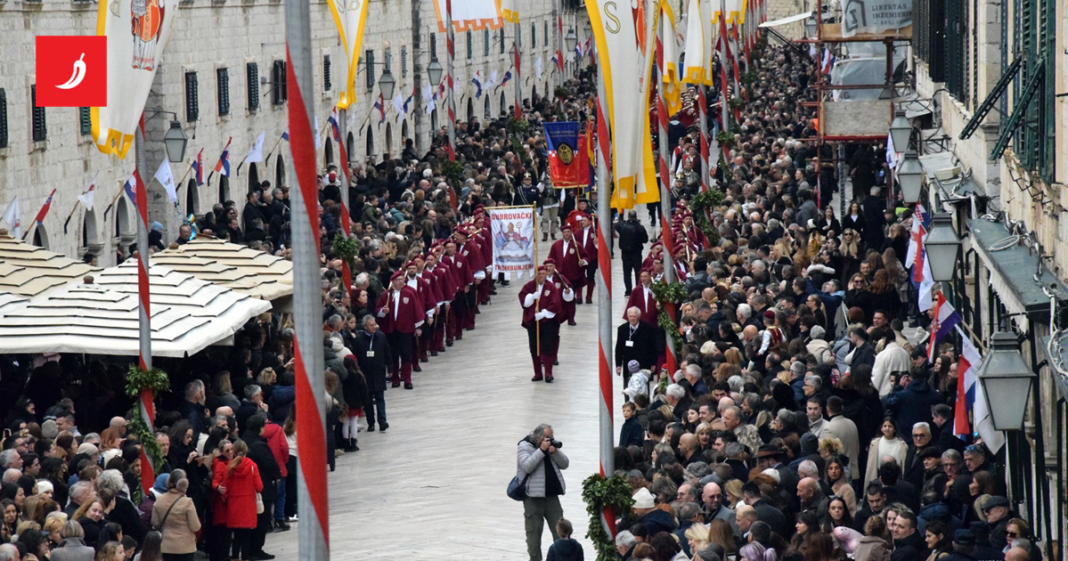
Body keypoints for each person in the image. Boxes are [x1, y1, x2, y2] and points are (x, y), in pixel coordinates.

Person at [516, 424, 569, 561]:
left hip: (552, 497)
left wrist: (554, 452)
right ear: (538, 437)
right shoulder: (524, 446)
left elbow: (565, 464)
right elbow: (527, 466)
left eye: (551, 437)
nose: (550, 439)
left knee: (561, 533)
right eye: (547, 437)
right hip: (533, 498)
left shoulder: (551, 447)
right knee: (533, 537)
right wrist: (541, 450)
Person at [375, 270, 422, 390]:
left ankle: (407, 379)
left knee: (406, 354)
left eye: (402, 279)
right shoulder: (386, 295)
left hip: (406, 329)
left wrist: (418, 326)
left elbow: (416, 310)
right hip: (391, 329)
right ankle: (395, 378)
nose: (401, 282)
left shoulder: (409, 294)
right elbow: (378, 309)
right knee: (393, 355)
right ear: (393, 282)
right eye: (398, 280)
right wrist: (383, 311)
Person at [519, 266, 563, 382]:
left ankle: (548, 373)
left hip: (547, 322)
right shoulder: (529, 286)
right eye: (539, 274)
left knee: (547, 347)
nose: (541, 276)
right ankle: (537, 373)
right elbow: (523, 301)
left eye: (543, 274)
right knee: (534, 348)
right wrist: (531, 297)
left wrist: (544, 313)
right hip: (533, 322)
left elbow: (555, 303)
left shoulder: (551, 287)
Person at [223, 440, 261, 561]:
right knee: (246, 537)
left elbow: (225, 488)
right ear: (246, 450)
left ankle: (234, 558)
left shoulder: (229, 467)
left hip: (234, 506)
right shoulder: (252, 465)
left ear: (234, 451)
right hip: (248, 506)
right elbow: (259, 487)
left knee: (236, 537)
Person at [149, 470, 200, 561]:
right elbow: (195, 526)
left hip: (166, 546)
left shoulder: (159, 500)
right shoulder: (187, 502)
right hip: (185, 546)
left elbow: (155, 522)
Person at [352, 315, 391, 432]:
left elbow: (387, 352)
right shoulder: (358, 340)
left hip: (378, 372)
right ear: (365, 326)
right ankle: (371, 423)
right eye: (371, 325)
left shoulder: (381, 337)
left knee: (380, 397)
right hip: (366, 374)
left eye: (375, 324)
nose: (374, 327)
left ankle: (382, 421)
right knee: (368, 400)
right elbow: (356, 357)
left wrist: (390, 368)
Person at [615, 307, 659, 387]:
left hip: (644, 364)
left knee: (643, 391)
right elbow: (619, 348)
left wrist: (653, 363)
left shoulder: (648, 329)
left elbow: (653, 347)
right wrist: (618, 365)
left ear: (639, 316)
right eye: (630, 316)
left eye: (634, 316)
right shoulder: (622, 329)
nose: (632, 318)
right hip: (628, 365)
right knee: (628, 389)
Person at [616, 210, 648, 295]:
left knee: (627, 273)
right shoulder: (640, 227)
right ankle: (638, 289)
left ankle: (628, 291)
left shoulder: (622, 226)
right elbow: (645, 240)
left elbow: (616, 225)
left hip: (625, 253)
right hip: (636, 253)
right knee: (638, 273)